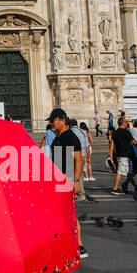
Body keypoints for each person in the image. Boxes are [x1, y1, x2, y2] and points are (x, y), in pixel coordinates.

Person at [47, 108, 87, 260]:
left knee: (69, 213)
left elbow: (79, 160)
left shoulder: (70, 137)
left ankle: (80, 246)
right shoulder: (59, 137)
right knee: (60, 213)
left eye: (54, 120)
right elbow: (56, 160)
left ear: (62, 120)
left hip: (67, 178)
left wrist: (76, 181)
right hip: (58, 179)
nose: (52, 123)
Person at [110, 115, 135, 193]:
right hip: (125, 154)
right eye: (126, 121)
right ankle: (115, 188)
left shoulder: (115, 132)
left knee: (128, 172)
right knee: (120, 172)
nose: (127, 122)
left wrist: (110, 154)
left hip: (120, 154)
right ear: (122, 123)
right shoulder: (126, 132)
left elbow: (112, 144)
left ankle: (135, 186)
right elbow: (133, 142)